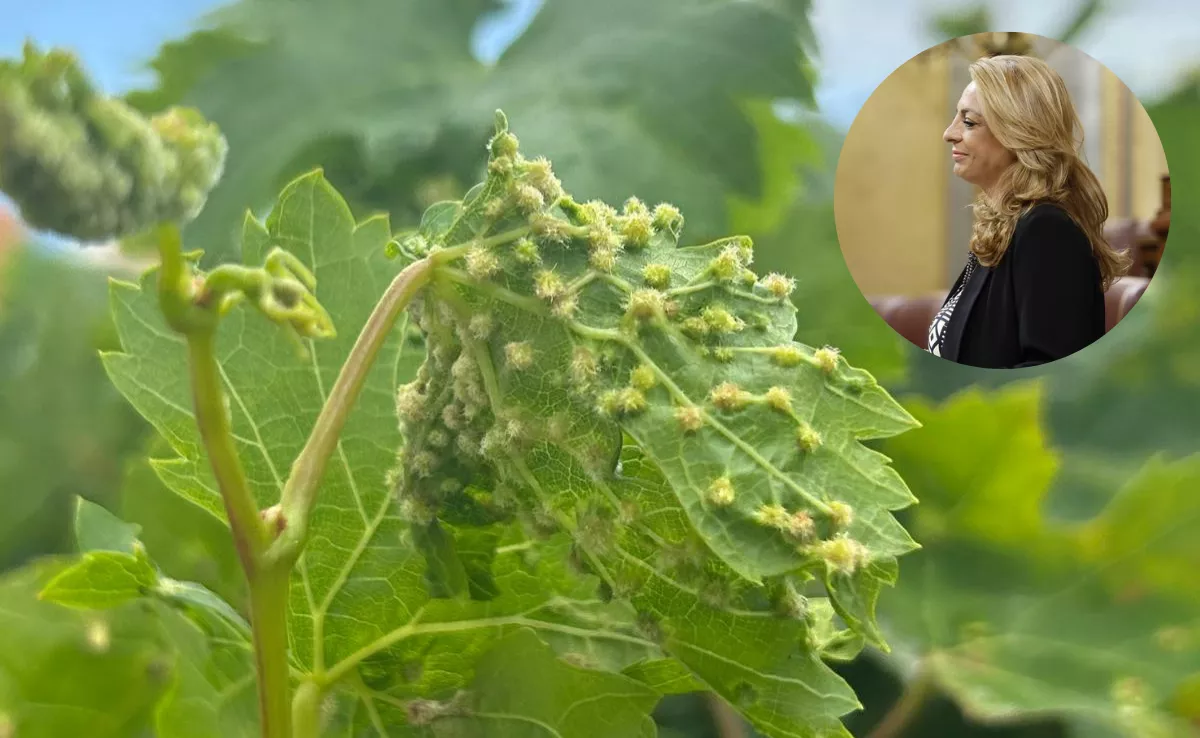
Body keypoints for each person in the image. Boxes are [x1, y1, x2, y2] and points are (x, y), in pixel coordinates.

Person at [927, 53, 1130, 368]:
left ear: (1017, 132)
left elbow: (1049, 371)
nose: (949, 133)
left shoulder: (1047, 230)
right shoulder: (1001, 226)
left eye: (968, 122)